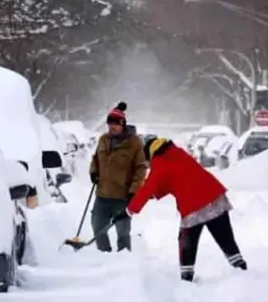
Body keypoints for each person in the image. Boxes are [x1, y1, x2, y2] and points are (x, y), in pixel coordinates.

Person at [115, 137, 248, 282]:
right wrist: (152, 195)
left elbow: (148, 187)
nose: (148, 165)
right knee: (226, 240)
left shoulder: (159, 162)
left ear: (149, 155)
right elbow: (173, 180)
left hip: (194, 206)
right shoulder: (177, 152)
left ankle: (186, 278)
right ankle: (242, 272)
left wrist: (129, 210)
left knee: (187, 243)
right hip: (215, 198)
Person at [89, 102, 147, 252]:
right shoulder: (103, 139)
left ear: (122, 124)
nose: (111, 127)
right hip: (102, 194)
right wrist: (94, 172)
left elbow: (140, 169)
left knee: (123, 232)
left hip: (122, 196)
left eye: (115, 124)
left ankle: (124, 261)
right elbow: (95, 159)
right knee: (97, 227)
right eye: (109, 124)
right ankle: (105, 255)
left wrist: (133, 192)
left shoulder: (134, 143)